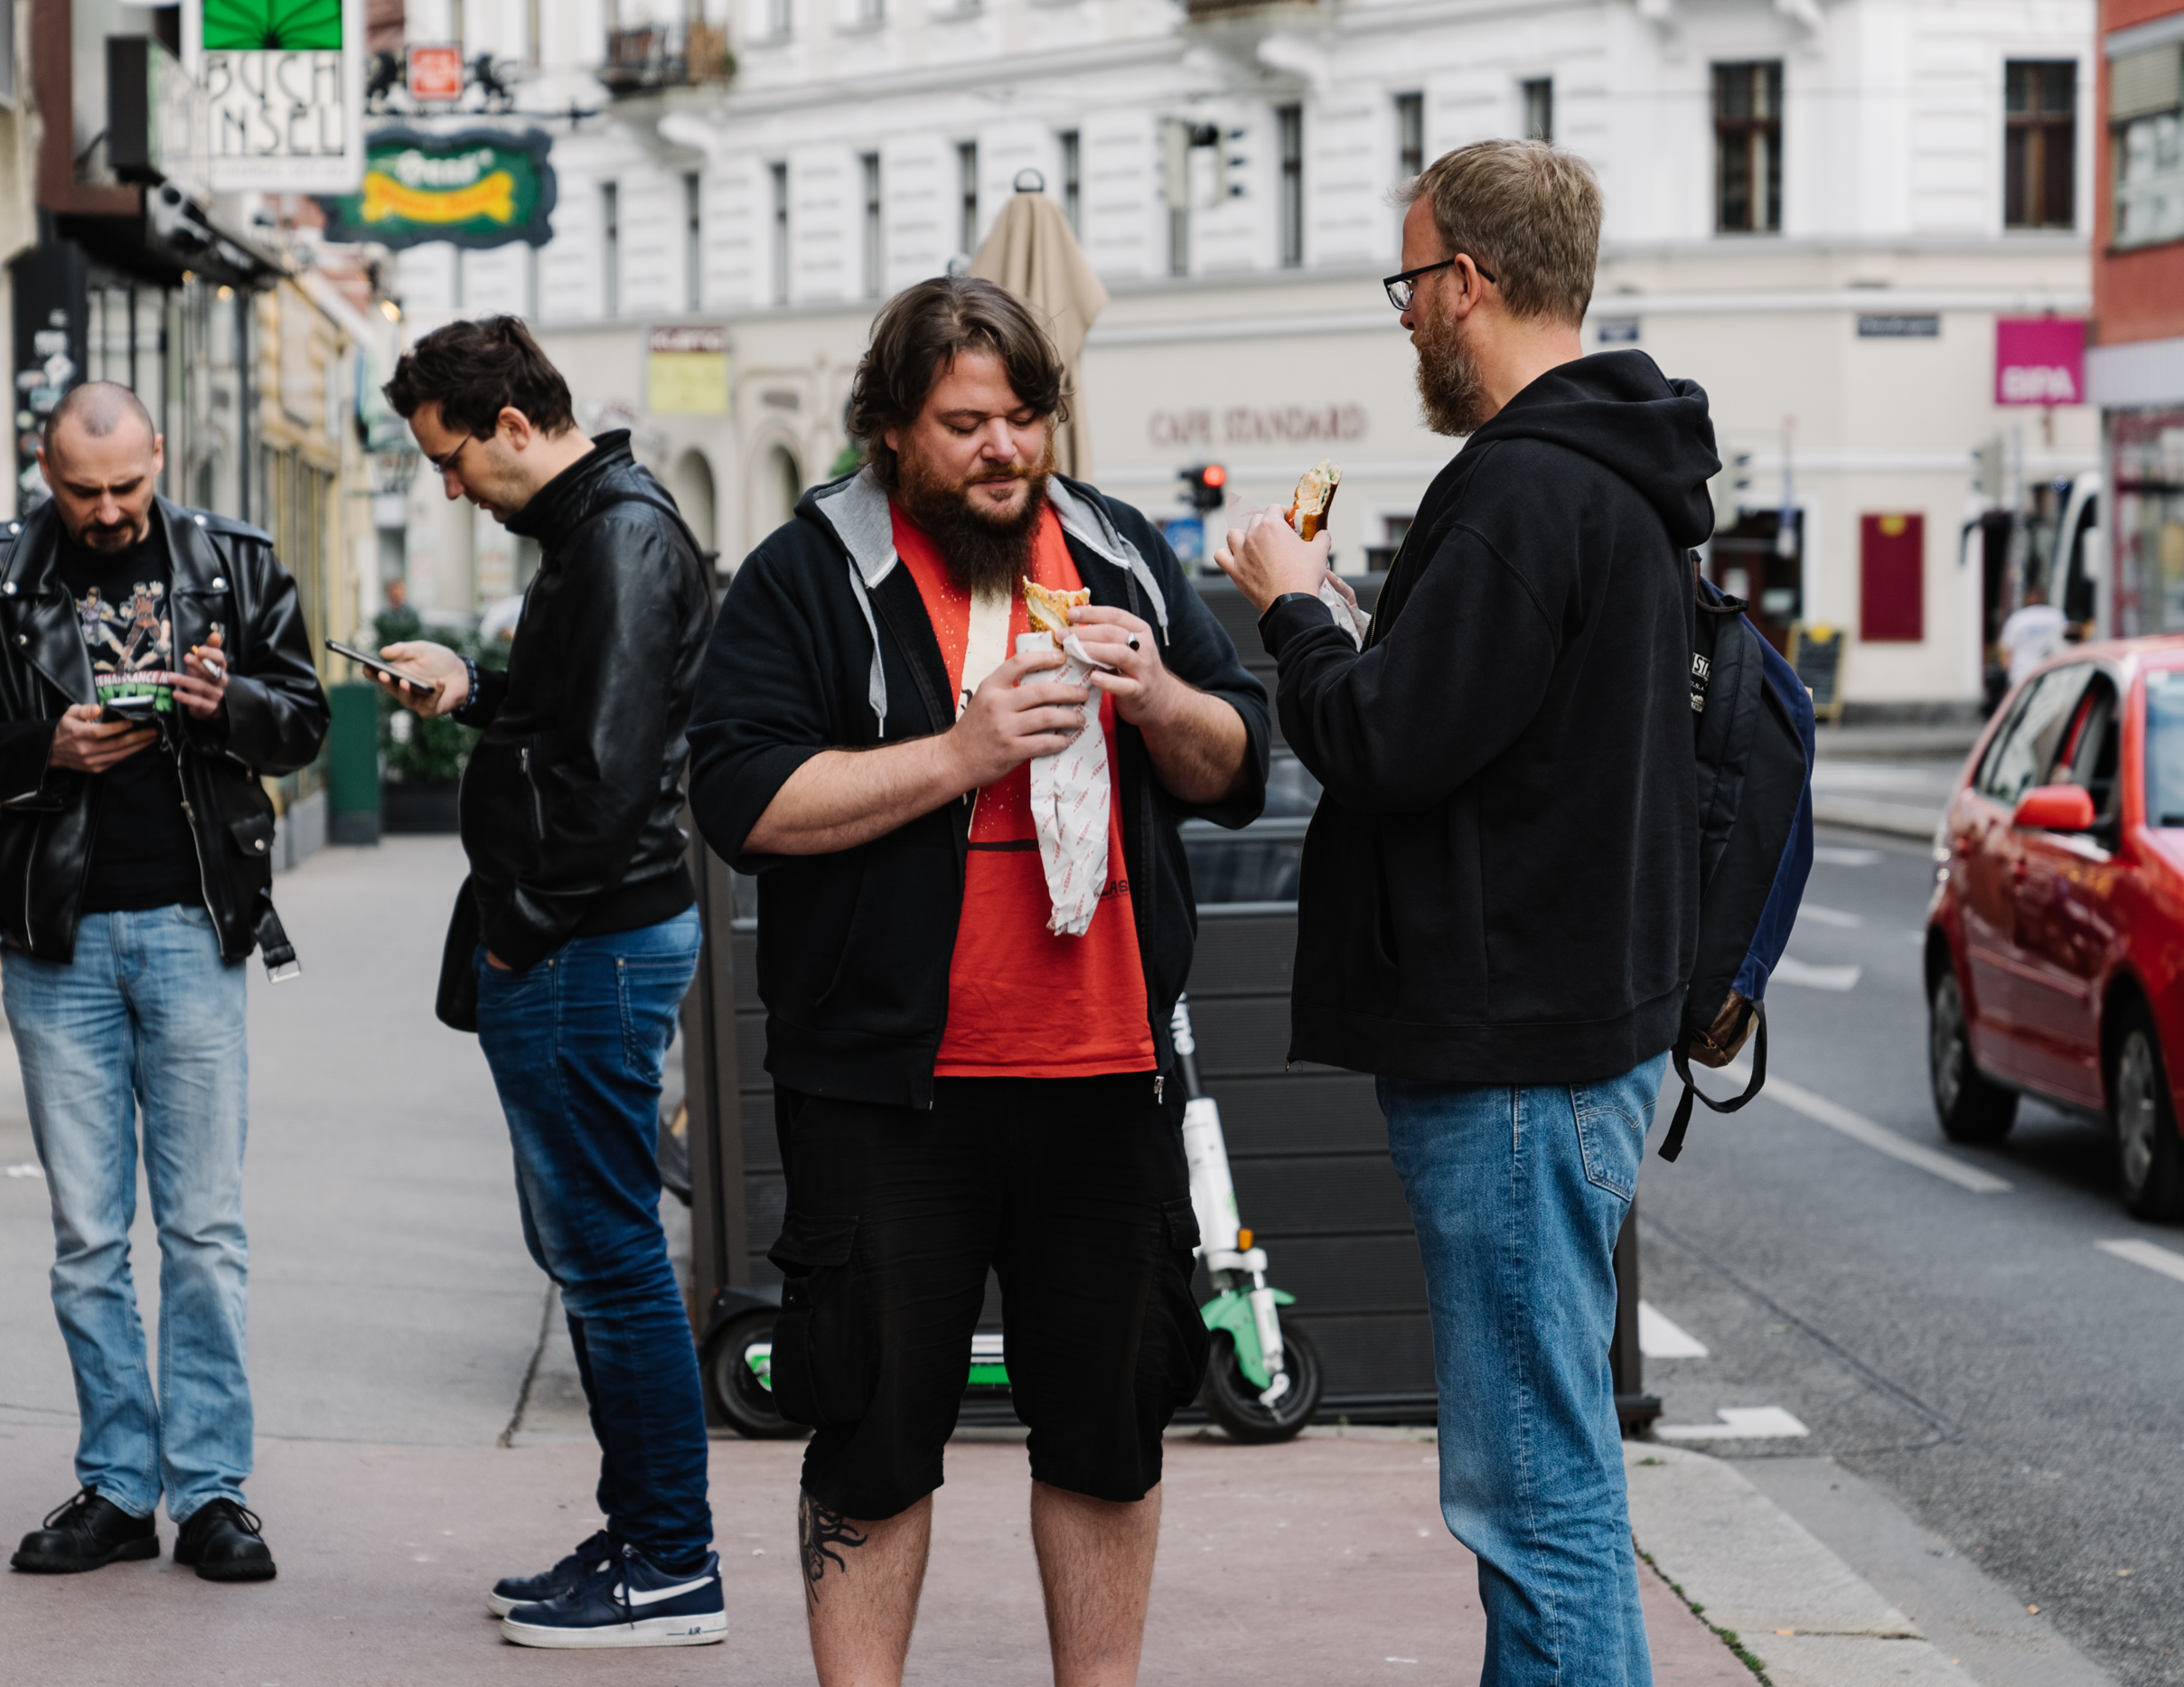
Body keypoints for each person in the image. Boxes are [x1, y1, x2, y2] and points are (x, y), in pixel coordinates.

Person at [688, 276, 1270, 1687]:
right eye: (965, 424)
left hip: (1109, 1074)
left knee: (1113, 1427)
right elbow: (742, 797)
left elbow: (1237, 762)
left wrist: (1162, 698)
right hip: (891, 1090)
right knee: (873, 1430)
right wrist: (961, 751)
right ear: (891, 429)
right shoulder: (809, 570)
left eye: (1024, 416)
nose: (1005, 448)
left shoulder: (1119, 549)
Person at [1215, 139, 1711, 1686]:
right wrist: (1370, 636)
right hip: (1584, 1027)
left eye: (1411, 280)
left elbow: (1382, 745)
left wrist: (1294, 609)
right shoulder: (1626, 475)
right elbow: (1500, 729)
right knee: (1550, 1473)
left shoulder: (1516, 485)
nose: (1405, 313)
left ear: (1470, 282)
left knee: (1531, 1495)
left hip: (1512, 1056)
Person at [0, 381, 329, 1583]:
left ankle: (212, 1489)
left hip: (193, 927)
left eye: (127, 485)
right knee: (89, 1235)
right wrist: (44, 747)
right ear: (46, 473)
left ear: (160, 459)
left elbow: (303, 722)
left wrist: (228, 704)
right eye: (83, 490)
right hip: (57, 940)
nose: (106, 510)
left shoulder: (234, 565)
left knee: (203, 1229)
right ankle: (118, 1484)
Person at [375, 317, 723, 1649]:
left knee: (608, 1253)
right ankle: (643, 1535)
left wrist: (519, 932)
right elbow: (578, 719)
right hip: (587, 934)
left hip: (587, 940)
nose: (449, 486)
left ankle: (669, 1559)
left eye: (452, 458)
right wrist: (474, 689)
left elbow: (609, 773)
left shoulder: (618, 537)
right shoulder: (599, 531)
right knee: (591, 1247)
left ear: (513, 423)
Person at [1998, 585, 2069, 691]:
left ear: (2026, 599)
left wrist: (2005, 673)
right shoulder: (2056, 616)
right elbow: (2067, 643)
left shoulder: (2018, 619)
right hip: (2052, 673)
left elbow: (2006, 652)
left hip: (2022, 675)